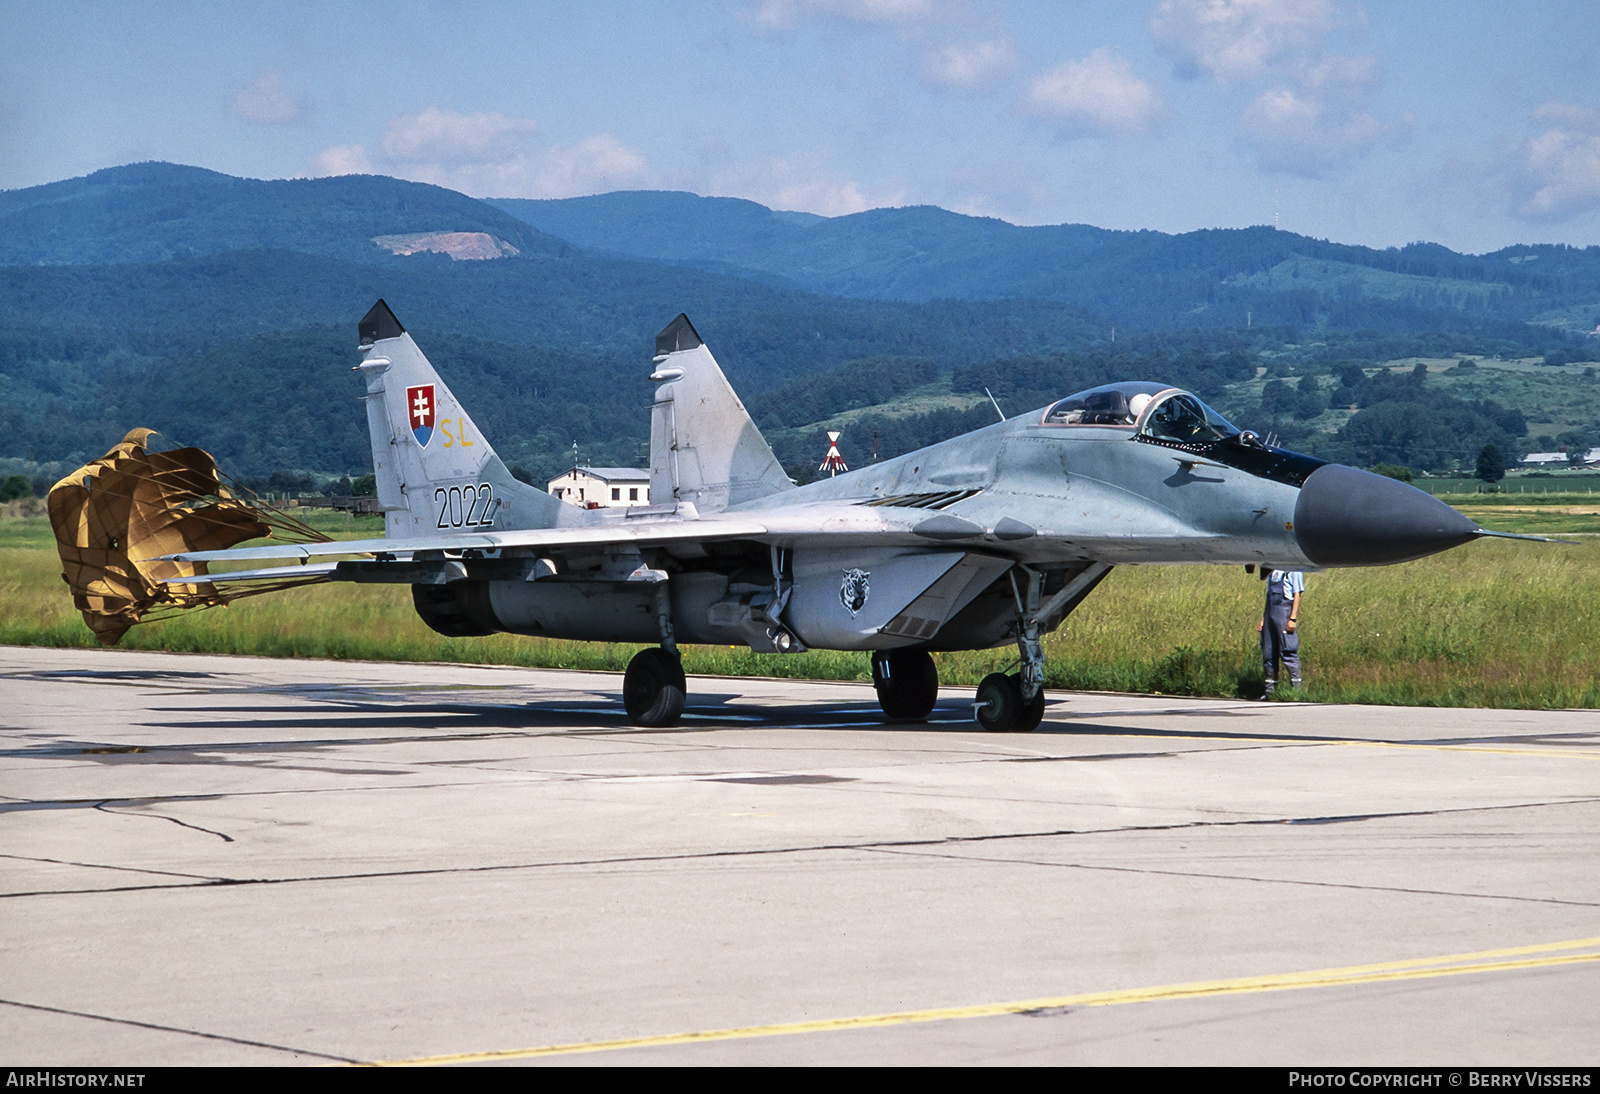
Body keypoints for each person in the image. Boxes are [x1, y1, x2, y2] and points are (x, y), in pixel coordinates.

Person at [1257, 568, 1304, 696]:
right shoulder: (1271, 570)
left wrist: (1293, 618)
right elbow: (1268, 596)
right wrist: (1263, 619)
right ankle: (1270, 692)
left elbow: (1297, 594)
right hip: (1270, 612)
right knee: (1269, 652)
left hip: (1284, 611)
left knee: (1288, 651)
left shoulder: (1293, 569)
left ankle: (1296, 692)